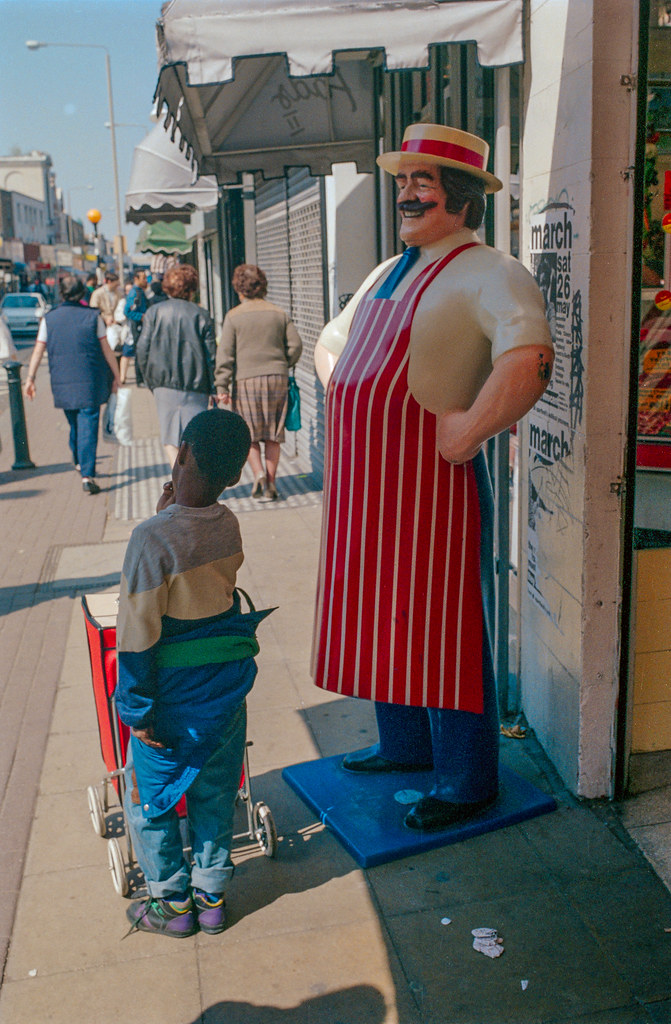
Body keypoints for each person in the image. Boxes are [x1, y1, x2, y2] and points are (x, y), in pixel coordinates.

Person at [312, 123, 554, 832]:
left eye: (423, 181)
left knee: (441, 629)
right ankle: (403, 745)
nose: (406, 194)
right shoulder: (388, 271)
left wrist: (467, 430)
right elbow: (333, 341)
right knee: (380, 619)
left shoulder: (490, 271)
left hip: (430, 488)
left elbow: (527, 360)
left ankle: (465, 778)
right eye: (403, 181)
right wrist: (351, 388)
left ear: (462, 195)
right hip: (366, 485)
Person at [115, 408, 269, 938]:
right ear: (233, 477)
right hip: (226, 692)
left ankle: (171, 905)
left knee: (151, 800)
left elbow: (136, 637)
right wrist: (169, 514)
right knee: (214, 792)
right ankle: (210, 900)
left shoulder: (149, 539)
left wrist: (135, 712)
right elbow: (202, 576)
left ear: (180, 454)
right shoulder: (229, 523)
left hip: (172, 701)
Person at [23, 274, 120, 494]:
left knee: (75, 423)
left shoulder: (50, 318)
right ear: (81, 293)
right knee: (87, 425)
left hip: (62, 383)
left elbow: (38, 349)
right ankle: (86, 473)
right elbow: (106, 349)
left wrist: (30, 378)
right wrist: (117, 376)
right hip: (90, 381)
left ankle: (79, 461)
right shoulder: (93, 317)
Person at [215, 264, 302, 500]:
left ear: (239, 289)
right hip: (277, 378)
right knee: (273, 432)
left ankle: (259, 476)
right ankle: (273, 481)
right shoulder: (279, 313)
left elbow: (225, 354)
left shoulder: (233, 317)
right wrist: (282, 362)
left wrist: (222, 386)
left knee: (250, 433)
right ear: (263, 285)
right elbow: (296, 346)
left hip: (246, 380)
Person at [136, 264, 216, 468]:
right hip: (197, 385)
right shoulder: (202, 314)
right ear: (192, 288)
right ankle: (194, 483)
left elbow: (142, 349)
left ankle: (178, 477)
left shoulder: (154, 313)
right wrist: (214, 387)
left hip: (163, 385)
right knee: (196, 438)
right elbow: (211, 356)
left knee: (169, 437)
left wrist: (150, 380)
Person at [120, 269, 148, 385]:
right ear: (136, 279)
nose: (145, 280)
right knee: (137, 352)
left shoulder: (140, 291)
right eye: (143, 278)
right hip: (136, 327)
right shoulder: (134, 293)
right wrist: (141, 316)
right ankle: (140, 379)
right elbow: (127, 311)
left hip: (140, 326)